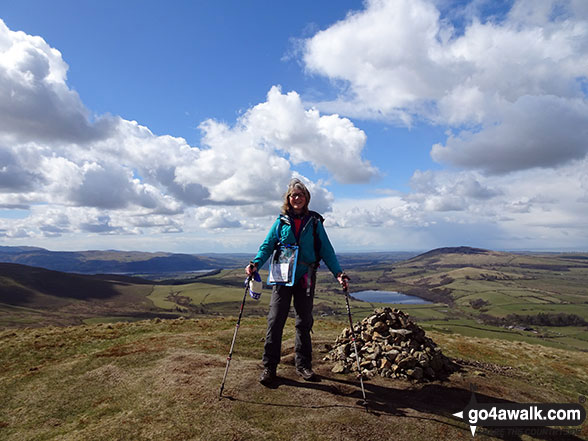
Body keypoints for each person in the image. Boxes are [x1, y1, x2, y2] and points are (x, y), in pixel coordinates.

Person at [245, 178, 349, 385]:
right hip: (282, 278)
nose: (297, 198)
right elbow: (267, 246)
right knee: (275, 322)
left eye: (301, 195)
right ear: (288, 199)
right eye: (293, 195)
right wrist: (255, 263)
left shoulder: (315, 222)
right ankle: (269, 367)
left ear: (306, 198)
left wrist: (338, 273)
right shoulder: (280, 221)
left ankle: (303, 366)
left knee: (303, 322)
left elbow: (326, 250)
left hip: (305, 277)